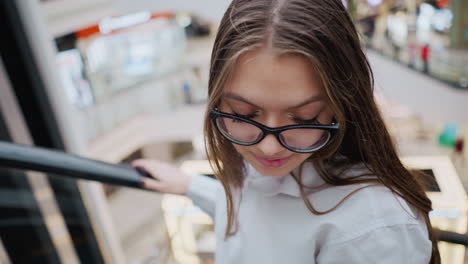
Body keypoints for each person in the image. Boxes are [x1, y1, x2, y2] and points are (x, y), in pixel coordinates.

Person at [132, 0, 440, 263]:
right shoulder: (263, 168)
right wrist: (190, 186)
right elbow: (254, 208)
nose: (268, 148)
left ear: (341, 104)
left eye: (304, 117)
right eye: (243, 114)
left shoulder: (375, 228)